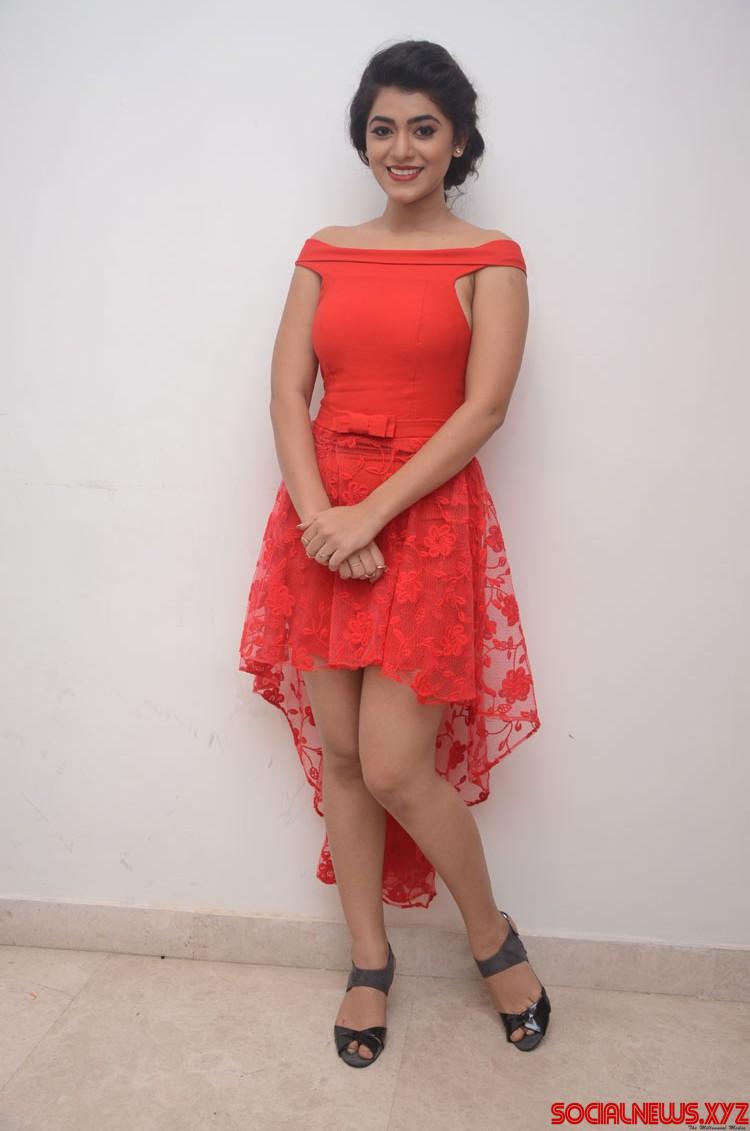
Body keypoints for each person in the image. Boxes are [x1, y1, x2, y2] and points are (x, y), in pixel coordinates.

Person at [238, 38, 550, 1067]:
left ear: (458, 141)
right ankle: (369, 960)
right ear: (363, 139)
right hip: (322, 513)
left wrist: (369, 517)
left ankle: (491, 936)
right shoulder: (324, 251)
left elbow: (484, 410)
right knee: (341, 753)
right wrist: (323, 517)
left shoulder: (491, 258)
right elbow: (288, 394)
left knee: (394, 764)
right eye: (383, 128)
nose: (401, 147)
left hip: (423, 518)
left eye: (423, 128)